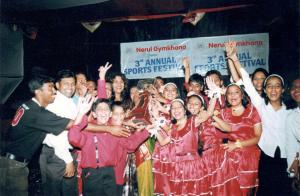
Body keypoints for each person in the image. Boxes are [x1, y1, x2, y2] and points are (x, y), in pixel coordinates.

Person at [226, 40, 291, 195]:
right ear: (265, 90)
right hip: (266, 157)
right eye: (269, 86)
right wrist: (234, 58)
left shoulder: (292, 111)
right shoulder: (260, 105)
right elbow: (247, 83)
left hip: (287, 158)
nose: (273, 89)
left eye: (277, 86)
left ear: (283, 90)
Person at [0, 75, 74, 196]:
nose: (54, 91)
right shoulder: (37, 113)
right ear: (38, 91)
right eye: (50, 87)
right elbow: (71, 124)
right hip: (13, 166)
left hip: (7, 160)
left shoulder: (28, 105)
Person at [213, 83, 262, 195]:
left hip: (249, 157)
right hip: (230, 157)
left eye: (236, 92)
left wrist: (237, 145)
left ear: (242, 94)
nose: (232, 95)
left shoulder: (252, 111)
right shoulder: (224, 113)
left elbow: (258, 137)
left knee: (246, 191)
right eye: (229, 93)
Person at [154, 99, 210, 195]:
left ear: (185, 110)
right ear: (171, 112)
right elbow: (163, 142)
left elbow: (208, 114)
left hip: (193, 164)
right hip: (177, 166)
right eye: (173, 108)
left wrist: (213, 95)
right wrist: (155, 130)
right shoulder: (173, 128)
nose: (176, 110)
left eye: (179, 107)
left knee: (195, 192)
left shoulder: (193, 121)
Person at [39, 70, 78, 196]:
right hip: (57, 156)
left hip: (66, 154)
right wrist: (68, 160)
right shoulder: (54, 103)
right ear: (57, 85)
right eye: (66, 84)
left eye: (72, 84)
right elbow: (54, 136)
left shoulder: (69, 102)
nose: (70, 87)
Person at [285, 78, 300, 190]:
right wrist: (293, 173)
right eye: (293, 87)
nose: (296, 89)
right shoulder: (291, 117)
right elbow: (291, 145)